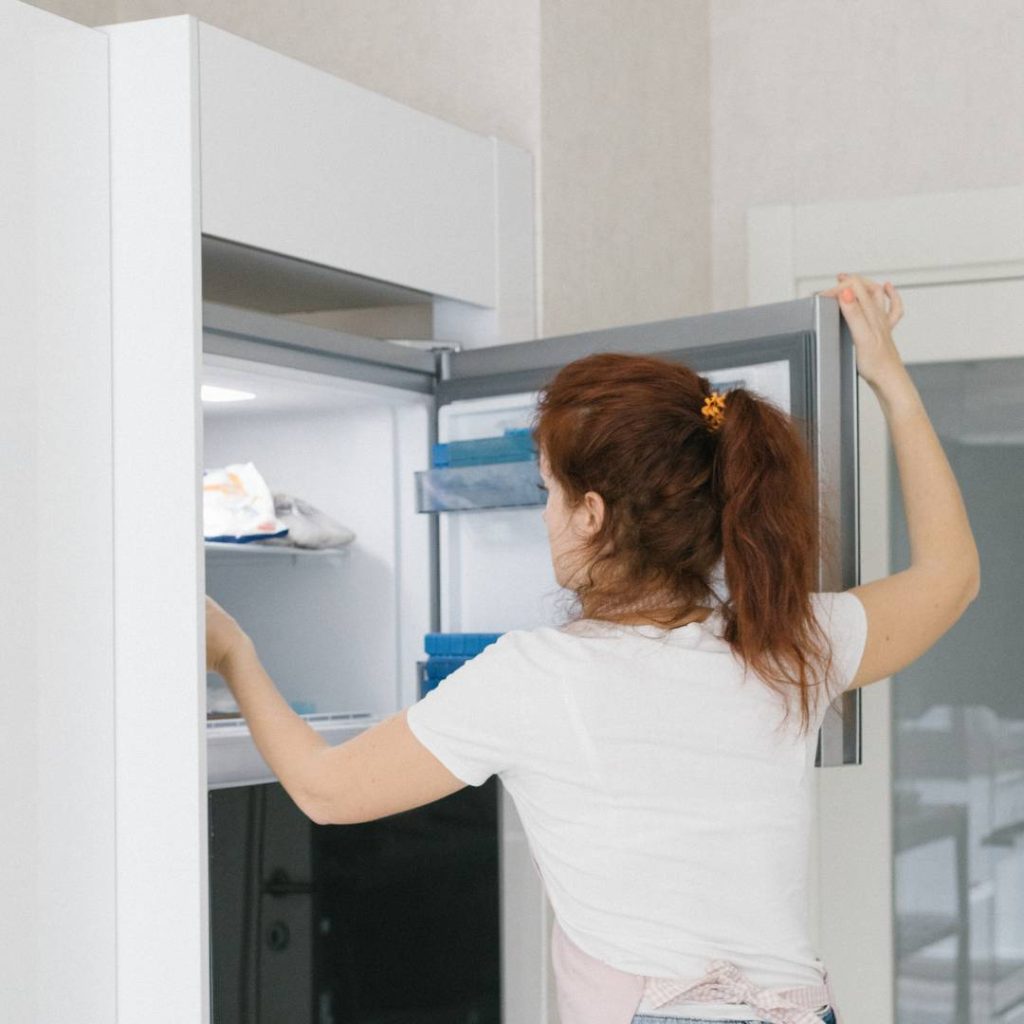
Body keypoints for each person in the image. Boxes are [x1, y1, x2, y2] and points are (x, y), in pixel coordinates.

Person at [206, 272, 980, 1024]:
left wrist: (233, 650)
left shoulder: (537, 677)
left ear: (593, 515)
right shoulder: (782, 641)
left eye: (547, 489)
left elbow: (327, 791)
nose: (544, 512)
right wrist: (887, 375)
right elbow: (951, 577)